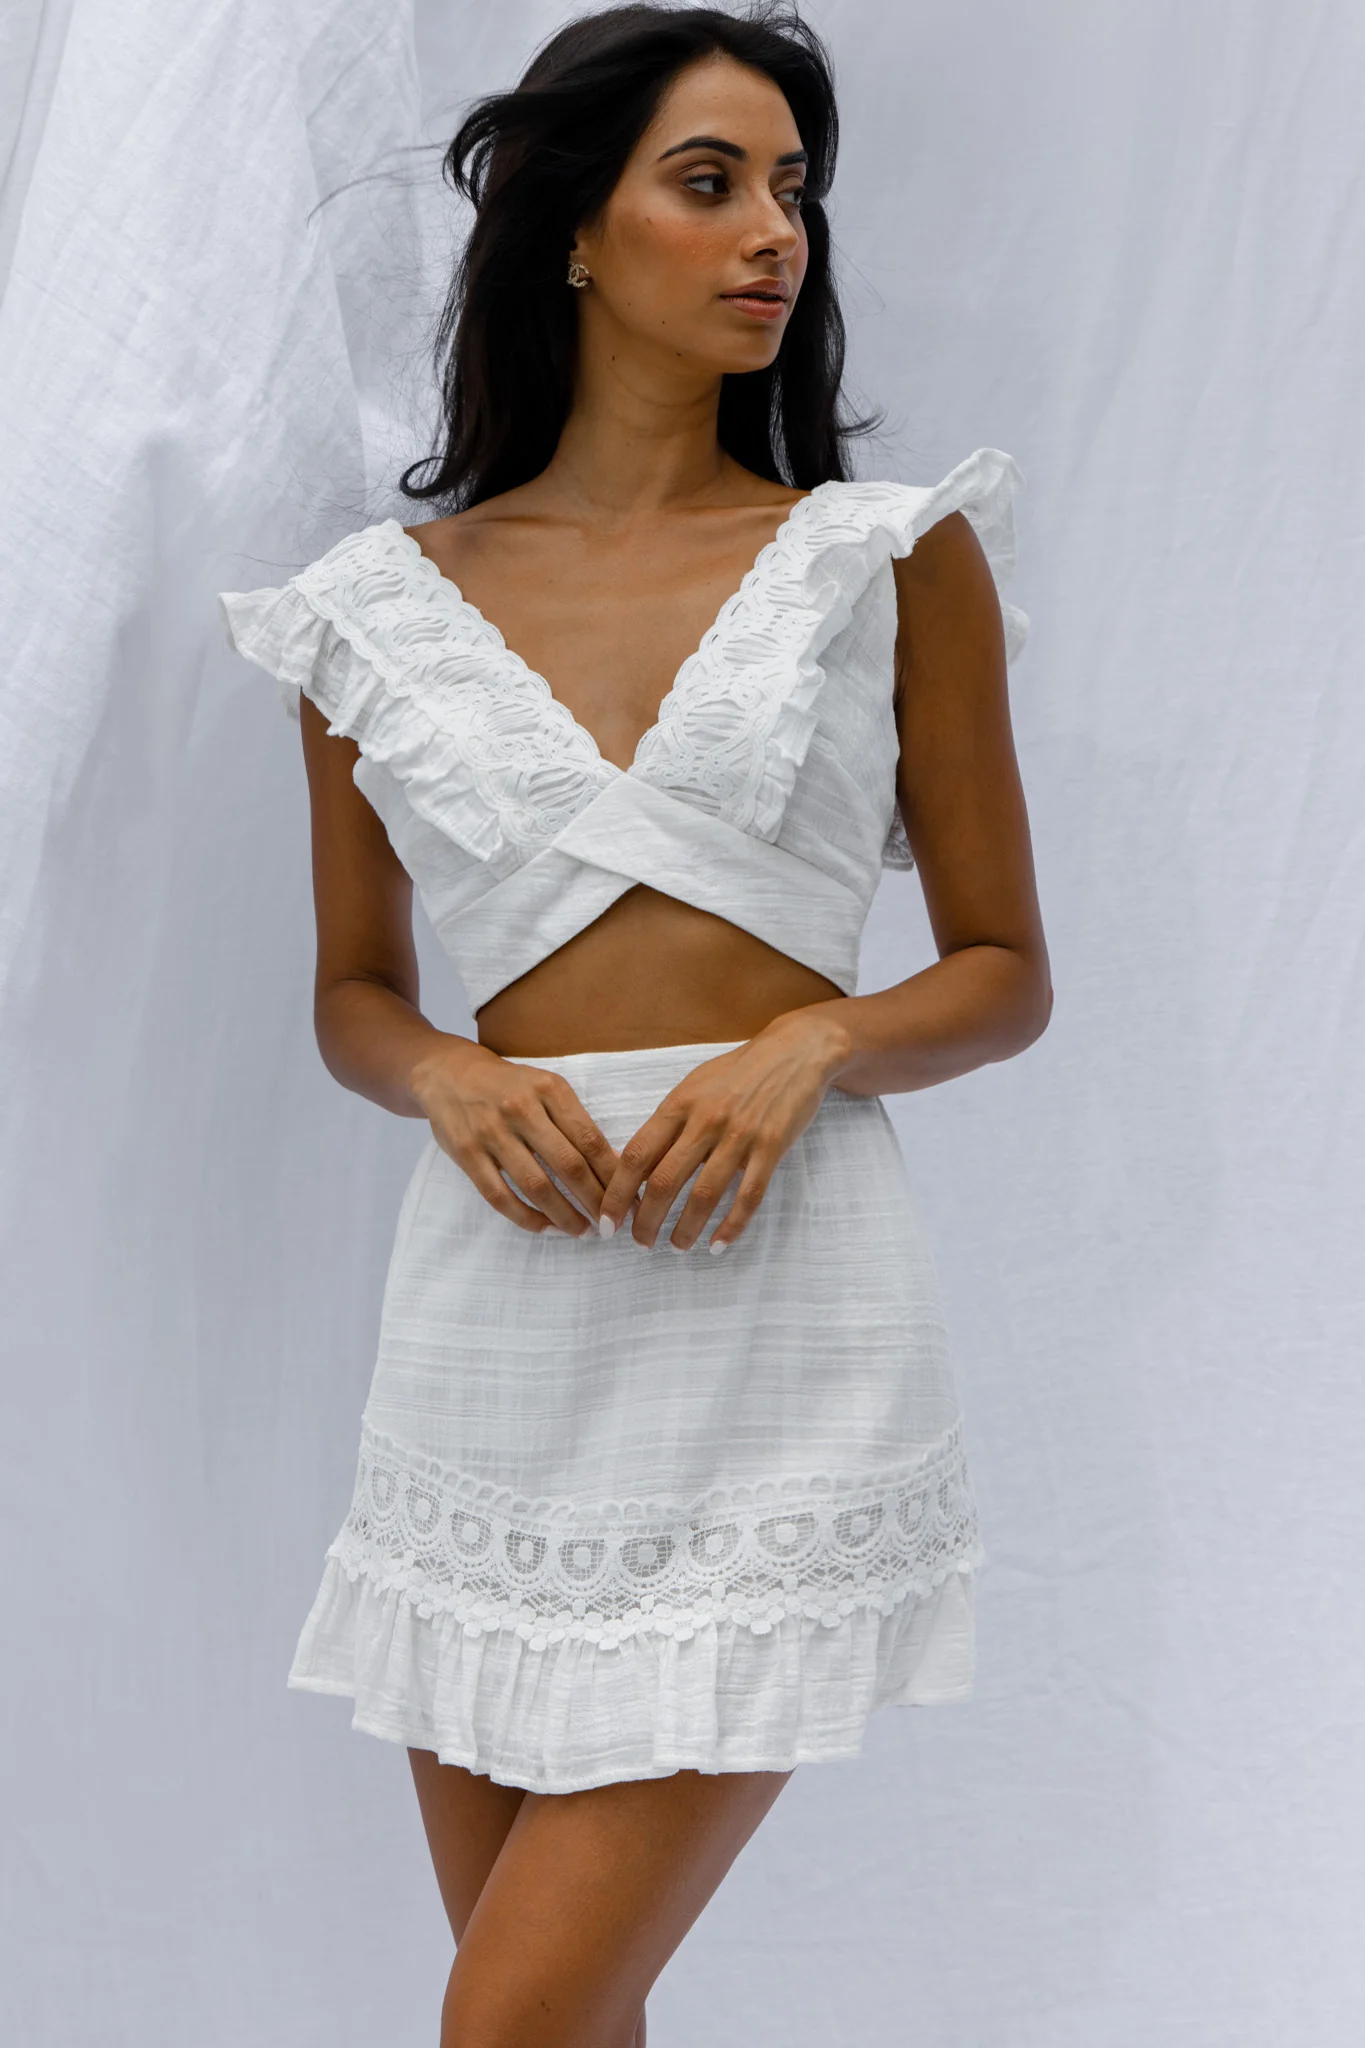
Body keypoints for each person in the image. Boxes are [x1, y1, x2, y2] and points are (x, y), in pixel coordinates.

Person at [220, 6, 1050, 2043]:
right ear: (568, 228)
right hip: (493, 1335)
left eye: (793, 191)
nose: (775, 233)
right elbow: (350, 993)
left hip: (781, 1319)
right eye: (711, 182)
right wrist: (443, 1069)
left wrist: (814, 1042)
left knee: (505, 2020)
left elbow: (1002, 968)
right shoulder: (367, 612)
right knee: (565, 2024)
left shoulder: (883, 559)